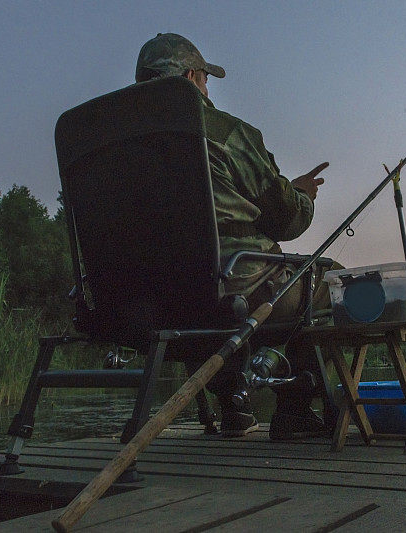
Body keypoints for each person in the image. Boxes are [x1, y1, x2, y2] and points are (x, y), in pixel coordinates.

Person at [135, 33, 336, 439]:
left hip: (145, 298)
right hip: (231, 286)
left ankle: (233, 408)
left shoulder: (120, 145)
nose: (208, 89)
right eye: (207, 79)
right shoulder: (223, 131)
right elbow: (286, 220)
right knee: (333, 286)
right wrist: (301, 196)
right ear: (191, 77)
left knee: (202, 287)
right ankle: (296, 410)